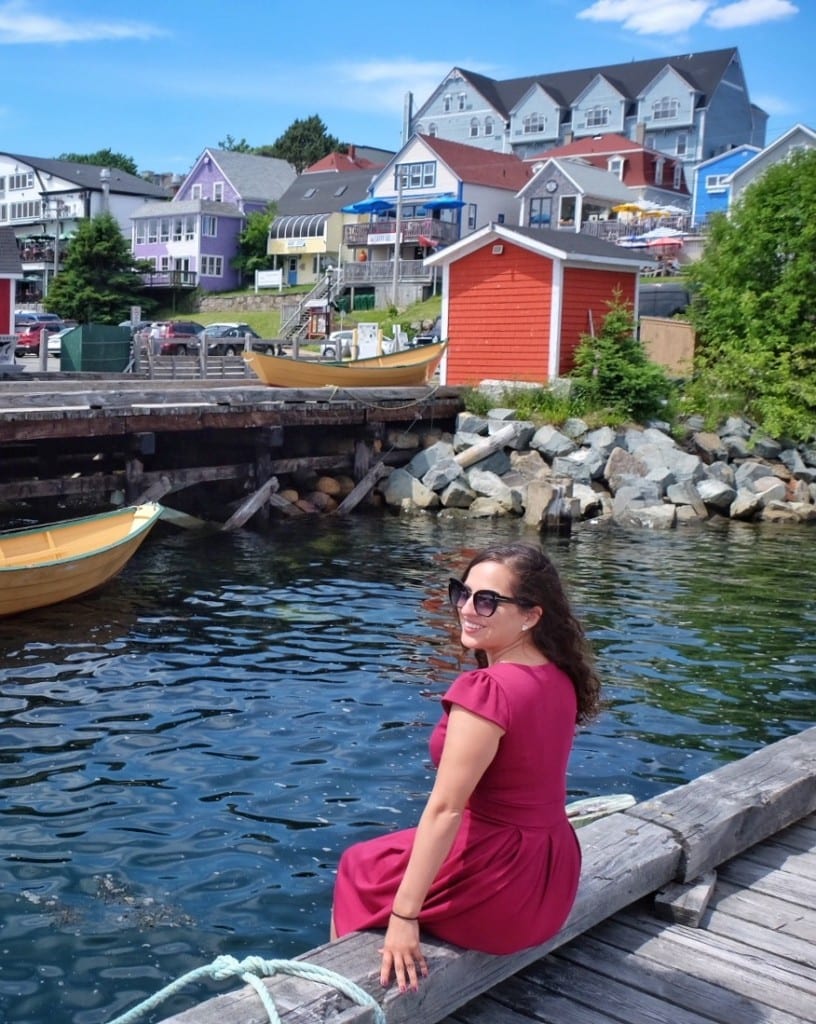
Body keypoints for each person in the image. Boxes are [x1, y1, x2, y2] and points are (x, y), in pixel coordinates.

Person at [332, 542, 601, 993]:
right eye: (463, 593)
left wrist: (404, 916)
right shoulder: (559, 676)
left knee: (359, 866)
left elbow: (445, 810)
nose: (467, 609)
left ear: (532, 615)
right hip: (552, 878)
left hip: (503, 885)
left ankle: (345, 995)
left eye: (488, 600)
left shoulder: (486, 691)